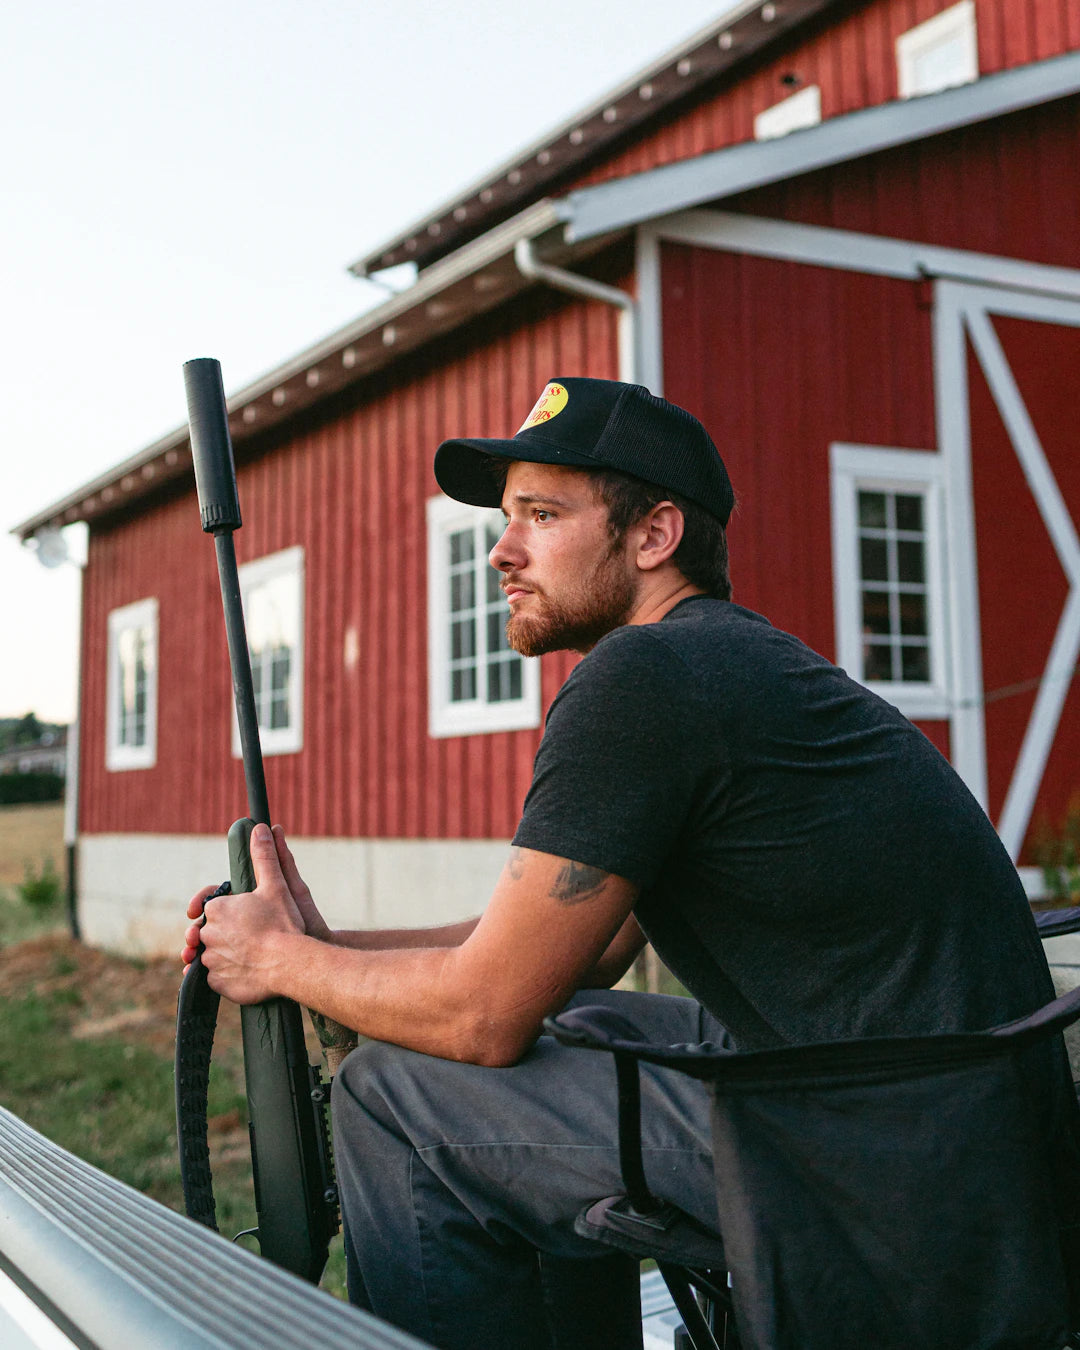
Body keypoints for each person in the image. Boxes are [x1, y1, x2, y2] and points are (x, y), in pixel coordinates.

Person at [182, 377, 1072, 1350]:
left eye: (542, 514)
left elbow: (483, 1014)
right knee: (585, 1021)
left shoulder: (643, 680)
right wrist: (320, 943)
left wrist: (279, 964)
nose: (501, 549)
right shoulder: (726, 667)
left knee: (393, 1098)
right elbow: (570, 957)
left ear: (654, 537)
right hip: (953, 1131)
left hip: (885, 1162)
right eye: (507, 516)